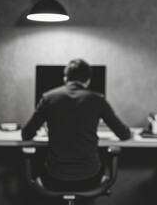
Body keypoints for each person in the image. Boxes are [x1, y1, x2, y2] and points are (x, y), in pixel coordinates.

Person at [22, 59, 130, 191]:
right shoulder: (98, 99)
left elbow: (26, 134)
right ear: (88, 80)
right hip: (91, 179)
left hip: (54, 179)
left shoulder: (48, 98)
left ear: (65, 78)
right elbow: (123, 134)